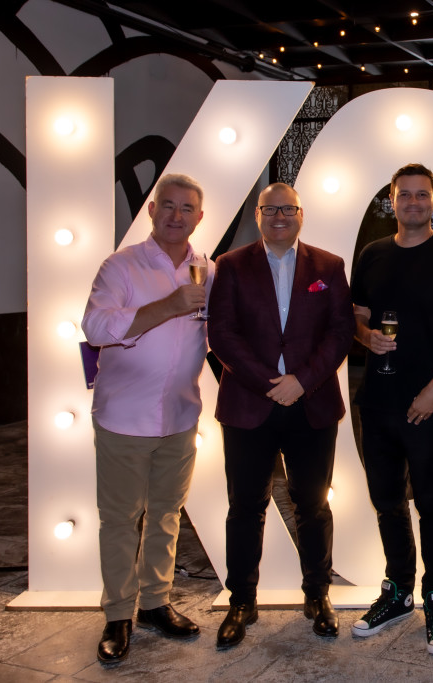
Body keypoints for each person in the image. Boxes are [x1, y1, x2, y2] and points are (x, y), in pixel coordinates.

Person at [207, 183, 355, 649]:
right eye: (270, 209)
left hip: (312, 404)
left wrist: (302, 381)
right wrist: (270, 382)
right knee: (245, 507)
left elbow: (341, 331)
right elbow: (222, 333)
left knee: (313, 505)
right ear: (258, 214)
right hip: (249, 404)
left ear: (300, 214)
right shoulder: (230, 266)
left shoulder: (328, 266)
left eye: (287, 209)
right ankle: (241, 601)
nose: (279, 217)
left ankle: (318, 595)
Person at [350, 163, 433, 655]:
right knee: (386, 501)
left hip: (429, 405)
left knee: (431, 503)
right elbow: (356, 316)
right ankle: (398, 592)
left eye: (421, 194)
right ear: (391, 200)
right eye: (404, 194)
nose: (412, 202)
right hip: (377, 402)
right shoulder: (372, 254)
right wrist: (365, 337)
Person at [82, 173, 210, 664]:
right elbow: (96, 327)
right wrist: (168, 306)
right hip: (124, 418)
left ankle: (155, 603)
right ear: (152, 210)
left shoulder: (207, 269)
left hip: (180, 415)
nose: (177, 216)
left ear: (199, 217)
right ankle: (118, 613)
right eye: (169, 206)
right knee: (119, 520)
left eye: (187, 208)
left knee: (166, 515)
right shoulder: (121, 266)